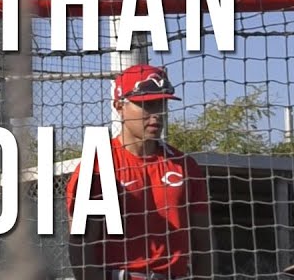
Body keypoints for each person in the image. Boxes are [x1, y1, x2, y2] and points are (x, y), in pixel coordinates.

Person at [65, 64, 214, 280]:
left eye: (161, 104)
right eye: (146, 105)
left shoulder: (185, 165)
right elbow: (81, 246)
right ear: (119, 105)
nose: (156, 114)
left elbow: (203, 240)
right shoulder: (97, 165)